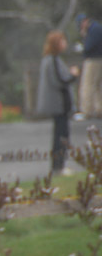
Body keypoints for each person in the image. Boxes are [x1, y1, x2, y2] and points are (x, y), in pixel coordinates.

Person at [37, 30, 79, 175]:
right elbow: (59, 80)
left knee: (61, 134)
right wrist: (73, 75)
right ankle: (58, 166)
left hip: (60, 105)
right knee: (61, 136)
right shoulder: (52, 60)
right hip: (58, 104)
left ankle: (59, 165)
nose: (65, 44)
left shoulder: (52, 59)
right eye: (62, 41)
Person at [75, 13, 102, 119]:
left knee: (87, 84)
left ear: (85, 21)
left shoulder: (94, 30)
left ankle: (87, 110)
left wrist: (83, 43)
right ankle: (99, 108)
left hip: (93, 59)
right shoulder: (97, 28)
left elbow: (88, 47)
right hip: (99, 58)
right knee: (98, 85)